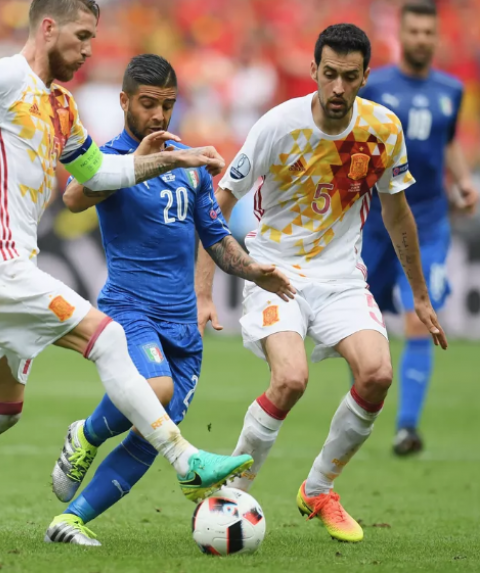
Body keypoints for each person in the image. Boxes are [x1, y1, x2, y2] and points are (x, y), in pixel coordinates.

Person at [0, 0, 253, 545]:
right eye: (82, 36)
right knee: (108, 338)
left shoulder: (60, 106)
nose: (88, 50)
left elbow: (98, 175)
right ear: (47, 29)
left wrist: (173, 159)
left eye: (93, 38)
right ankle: (186, 461)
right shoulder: (1, 80)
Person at [195, 24, 448, 543]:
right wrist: (202, 292)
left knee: (377, 373)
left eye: (349, 77)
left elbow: (398, 214)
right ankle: (231, 495)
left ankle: (318, 489)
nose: (337, 87)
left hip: (340, 277)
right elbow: (216, 207)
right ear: (313, 70)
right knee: (291, 379)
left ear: (365, 77)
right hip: (274, 272)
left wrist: (420, 295)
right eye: (329, 74)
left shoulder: (383, 129)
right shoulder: (277, 125)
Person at [45, 54, 295, 546]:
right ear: (123, 101)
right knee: (154, 391)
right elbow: (73, 198)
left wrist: (253, 270)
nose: (158, 115)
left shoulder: (189, 163)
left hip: (183, 326)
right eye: (147, 104)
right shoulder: (110, 158)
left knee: (150, 433)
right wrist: (143, 164)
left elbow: (216, 237)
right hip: (129, 308)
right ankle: (88, 433)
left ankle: (70, 521)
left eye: (167, 104)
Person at [359, 0, 478, 456]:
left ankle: (406, 428)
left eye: (429, 32)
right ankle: (363, 405)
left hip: (427, 221)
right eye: (414, 31)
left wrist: (464, 181)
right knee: (360, 320)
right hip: (376, 223)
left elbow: (448, 143)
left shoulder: (451, 90)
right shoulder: (375, 86)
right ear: (401, 35)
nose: (422, 39)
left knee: (418, 318)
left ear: (437, 37)